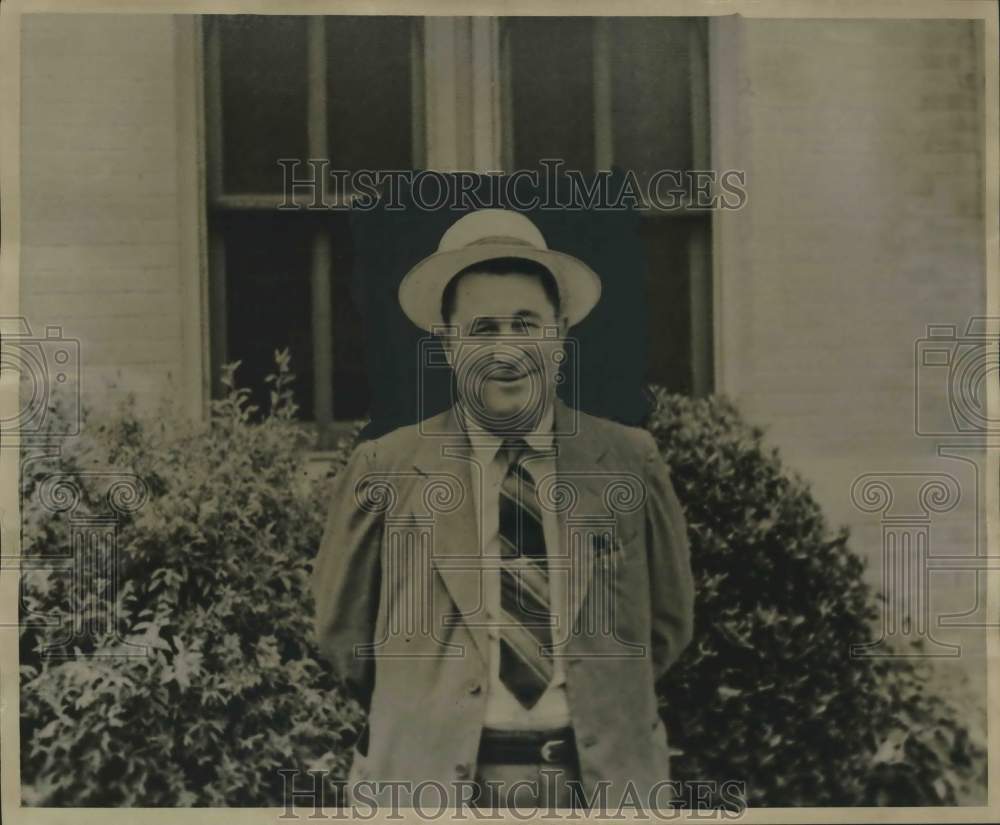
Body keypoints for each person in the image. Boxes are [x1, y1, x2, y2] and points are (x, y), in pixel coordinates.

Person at [311, 208, 695, 813]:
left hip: (601, 787)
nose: (507, 350)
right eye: (483, 329)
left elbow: (666, 627)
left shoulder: (627, 461)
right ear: (447, 342)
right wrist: (430, 716)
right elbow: (344, 638)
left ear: (560, 333)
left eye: (527, 324)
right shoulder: (388, 467)